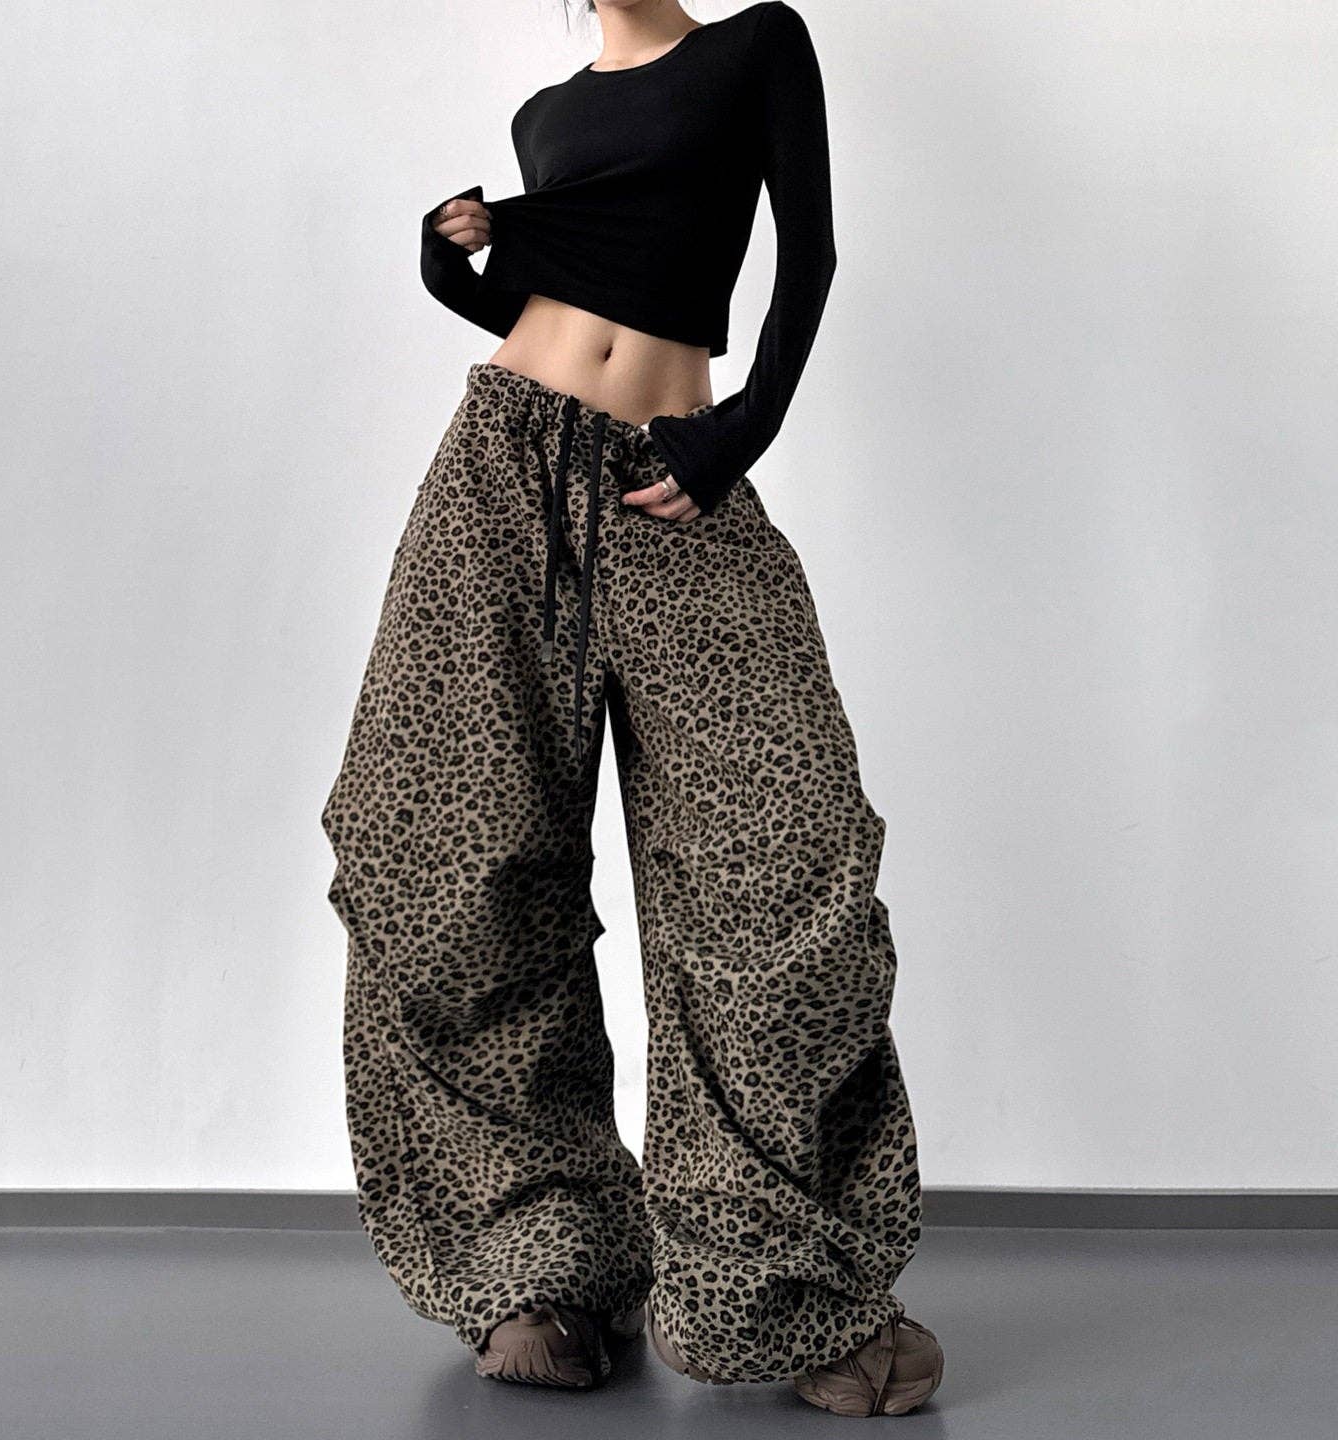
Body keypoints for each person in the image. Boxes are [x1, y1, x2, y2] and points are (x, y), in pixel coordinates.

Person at [320, 0, 944, 1418]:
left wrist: (741, 429)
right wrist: (453, 271)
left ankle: (776, 1283)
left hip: (676, 482)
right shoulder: (547, 118)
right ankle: (541, 1258)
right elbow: (559, 299)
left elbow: (807, 251)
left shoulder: (755, 47)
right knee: (448, 858)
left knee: (778, 863)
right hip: (498, 468)